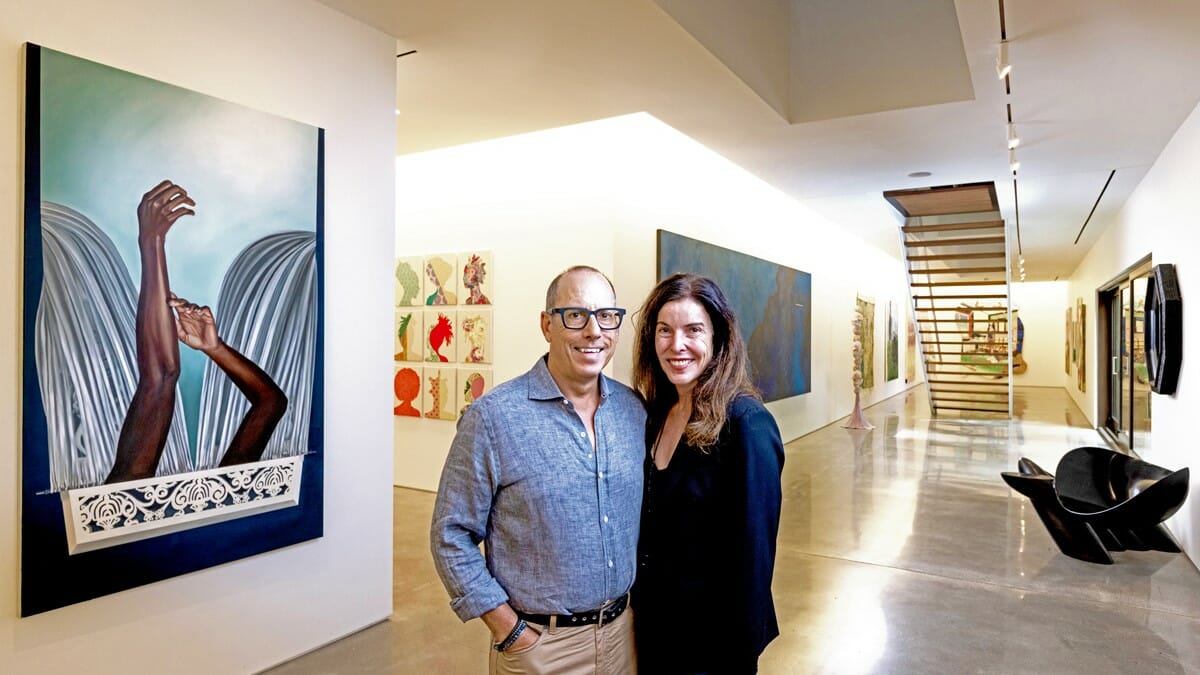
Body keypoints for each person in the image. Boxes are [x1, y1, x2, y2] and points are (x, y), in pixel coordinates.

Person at [431, 266, 646, 674]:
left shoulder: (632, 411)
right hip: (541, 648)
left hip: (623, 637)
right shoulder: (494, 418)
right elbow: (450, 534)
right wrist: (510, 632)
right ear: (547, 325)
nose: (593, 331)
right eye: (575, 315)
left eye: (606, 316)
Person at [631, 272, 785, 674]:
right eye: (664, 330)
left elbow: (754, 561)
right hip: (652, 632)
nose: (676, 345)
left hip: (711, 648)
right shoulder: (656, 413)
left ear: (718, 338)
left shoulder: (746, 423)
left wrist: (736, 657)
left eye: (693, 330)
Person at [106, 180, 287, 482]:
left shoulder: (125, 510)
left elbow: (161, 377)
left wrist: (151, 243)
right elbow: (271, 402)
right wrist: (214, 348)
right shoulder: (226, 495)